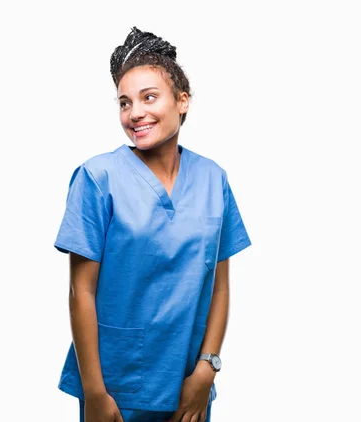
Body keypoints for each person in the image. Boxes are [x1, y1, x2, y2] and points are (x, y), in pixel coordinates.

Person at [54, 27, 252, 422]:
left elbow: (221, 284)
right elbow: (81, 291)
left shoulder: (214, 179)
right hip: (116, 386)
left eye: (149, 97)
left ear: (182, 101)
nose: (135, 113)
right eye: (125, 103)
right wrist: (95, 392)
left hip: (187, 386)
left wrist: (206, 369)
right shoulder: (98, 178)